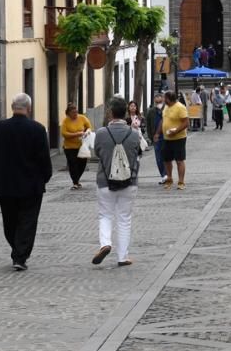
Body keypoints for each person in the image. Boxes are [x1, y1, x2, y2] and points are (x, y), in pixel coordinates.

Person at [0, 93, 53, 271]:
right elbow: (45, 161)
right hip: (31, 185)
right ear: (29, 108)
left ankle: (17, 251)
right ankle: (20, 255)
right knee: (28, 221)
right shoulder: (38, 129)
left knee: (10, 221)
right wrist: (43, 178)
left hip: (5, 185)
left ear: (12, 107)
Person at [92, 97, 142, 267]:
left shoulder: (100, 133)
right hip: (129, 182)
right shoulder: (134, 134)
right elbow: (137, 153)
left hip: (105, 181)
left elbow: (97, 152)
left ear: (111, 113)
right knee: (124, 218)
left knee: (105, 215)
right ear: (126, 113)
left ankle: (105, 243)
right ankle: (123, 257)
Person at [60, 103, 92, 190]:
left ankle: (77, 179)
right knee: (72, 164)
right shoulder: (65, 121)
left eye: (76, 112)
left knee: (82, 164)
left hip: (82, 146)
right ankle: (75, 182)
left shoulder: (82, 118)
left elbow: (89, 127)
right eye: (73, 112)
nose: (75, 114)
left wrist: (87, 132)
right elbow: (64, 133)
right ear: (68, 113)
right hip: (69, 147)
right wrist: (77, 134)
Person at [161, 91, 189, 190]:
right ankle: (169, 179)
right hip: (166, 138)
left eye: (164, 98)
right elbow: (163, 120)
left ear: (169, 98)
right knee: (167, 160)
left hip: (179, 138)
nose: (163, 99)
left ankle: (181, 181)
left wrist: (176, 131)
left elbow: (186, 122)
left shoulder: (180, 107)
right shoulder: (166, 107)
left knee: (179, 160)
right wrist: (158, 132)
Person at [145, 94, 167, 185]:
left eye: (160, 97)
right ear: (154, 100)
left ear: (163, 98)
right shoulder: (151, 111)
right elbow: (148, 125)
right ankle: (163, 175)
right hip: (156, 137)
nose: (158, 99)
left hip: (166, 136)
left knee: (167, 157)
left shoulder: (167, 109)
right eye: (156, 97)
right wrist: (151, 137)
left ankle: (167, 174)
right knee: (159, 158)